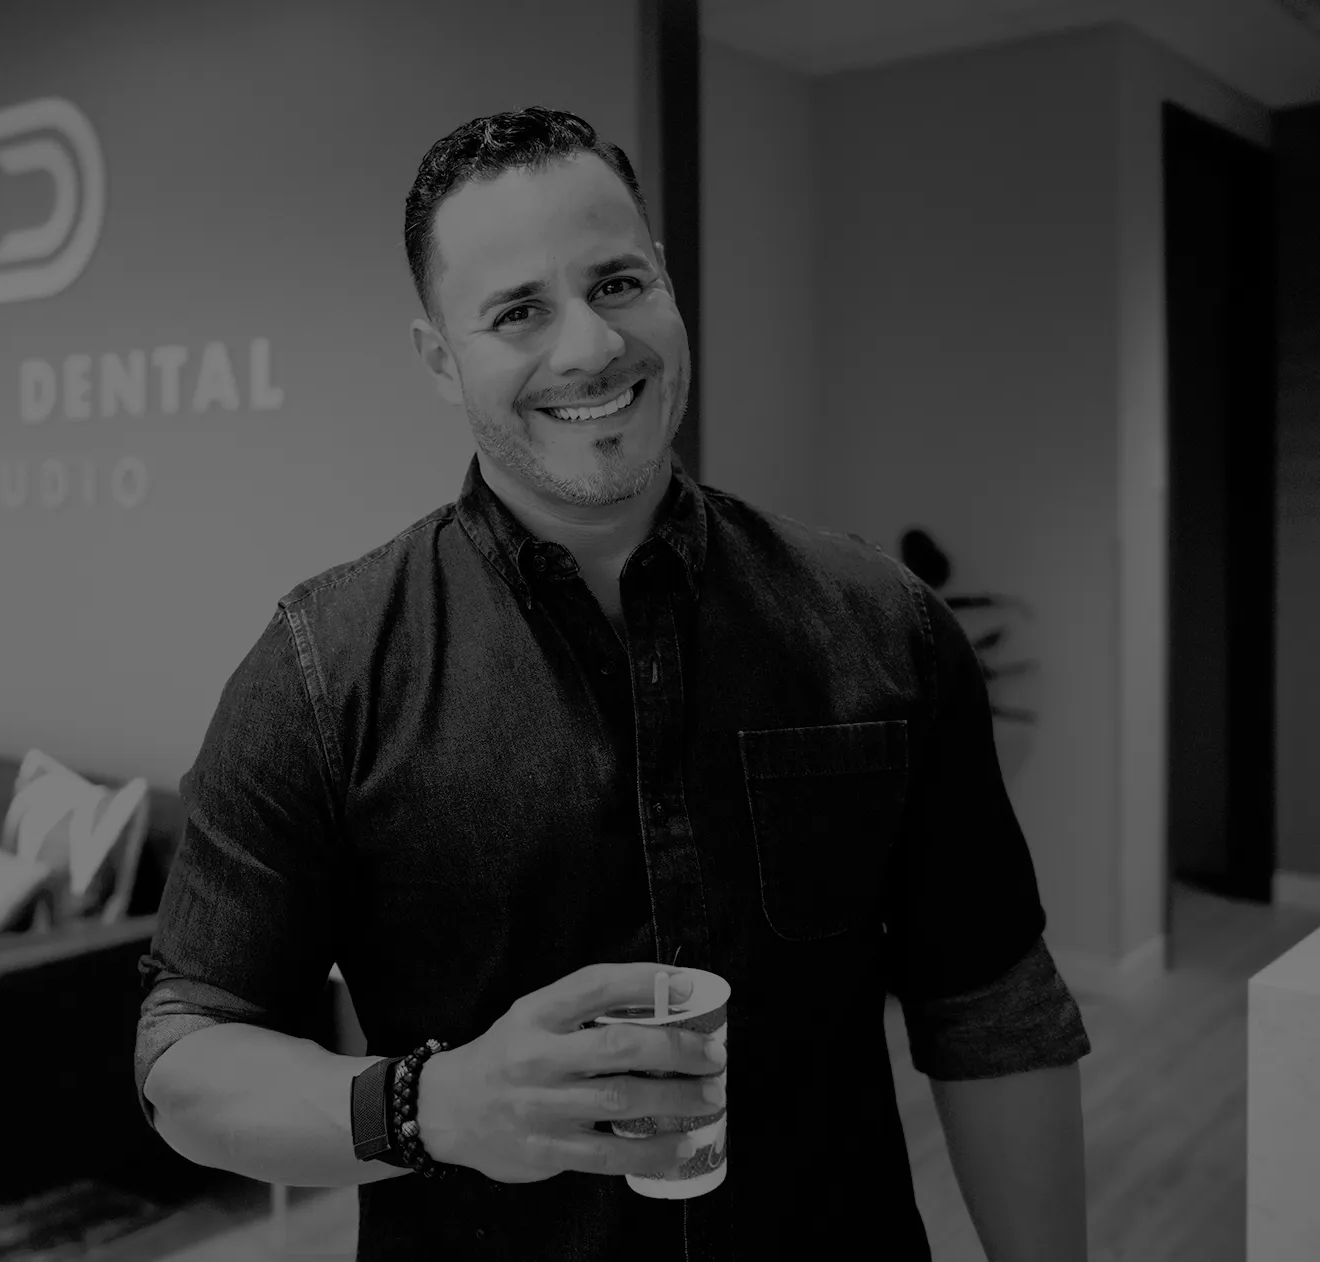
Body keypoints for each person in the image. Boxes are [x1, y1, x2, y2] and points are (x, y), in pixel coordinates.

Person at [134, 106, 1092, 1261]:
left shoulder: (884, 625)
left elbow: (990, 1001)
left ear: (667, 284)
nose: (590, 346)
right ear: (439, 357)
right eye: (519, 311)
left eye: (618, 283)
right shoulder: (323, 670)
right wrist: (432, 1104)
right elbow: (185, 1057)